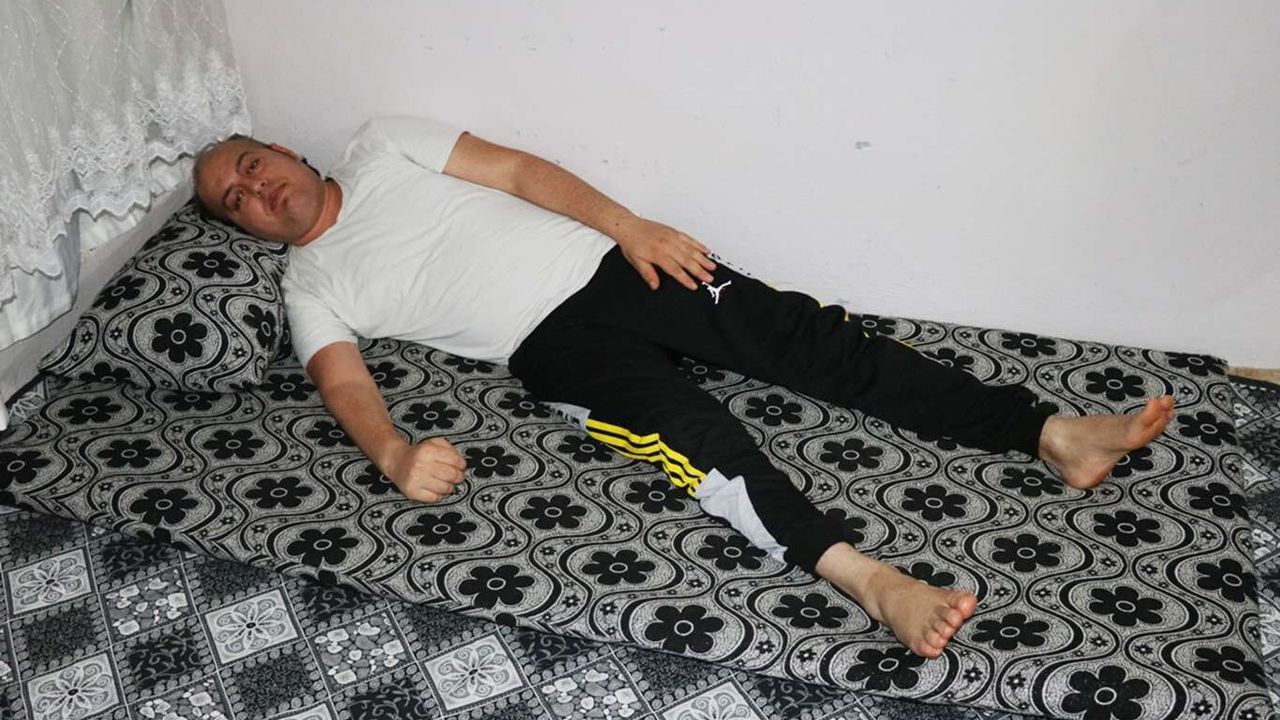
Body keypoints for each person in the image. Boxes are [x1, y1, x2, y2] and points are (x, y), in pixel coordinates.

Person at [193, 116, 1175, 659]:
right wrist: (393, 454)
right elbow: (343, 383)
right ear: (248, 230)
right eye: (237, 204)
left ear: (286, 151)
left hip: (615, 262)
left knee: (812, 343)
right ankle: (870, 583)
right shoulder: (311, 283)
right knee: (697, 446)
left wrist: (629, 227)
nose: (257, 190)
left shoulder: (381, 143)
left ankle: (1048, 434)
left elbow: (520, 173)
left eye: (251, 166)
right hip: (550, 349)